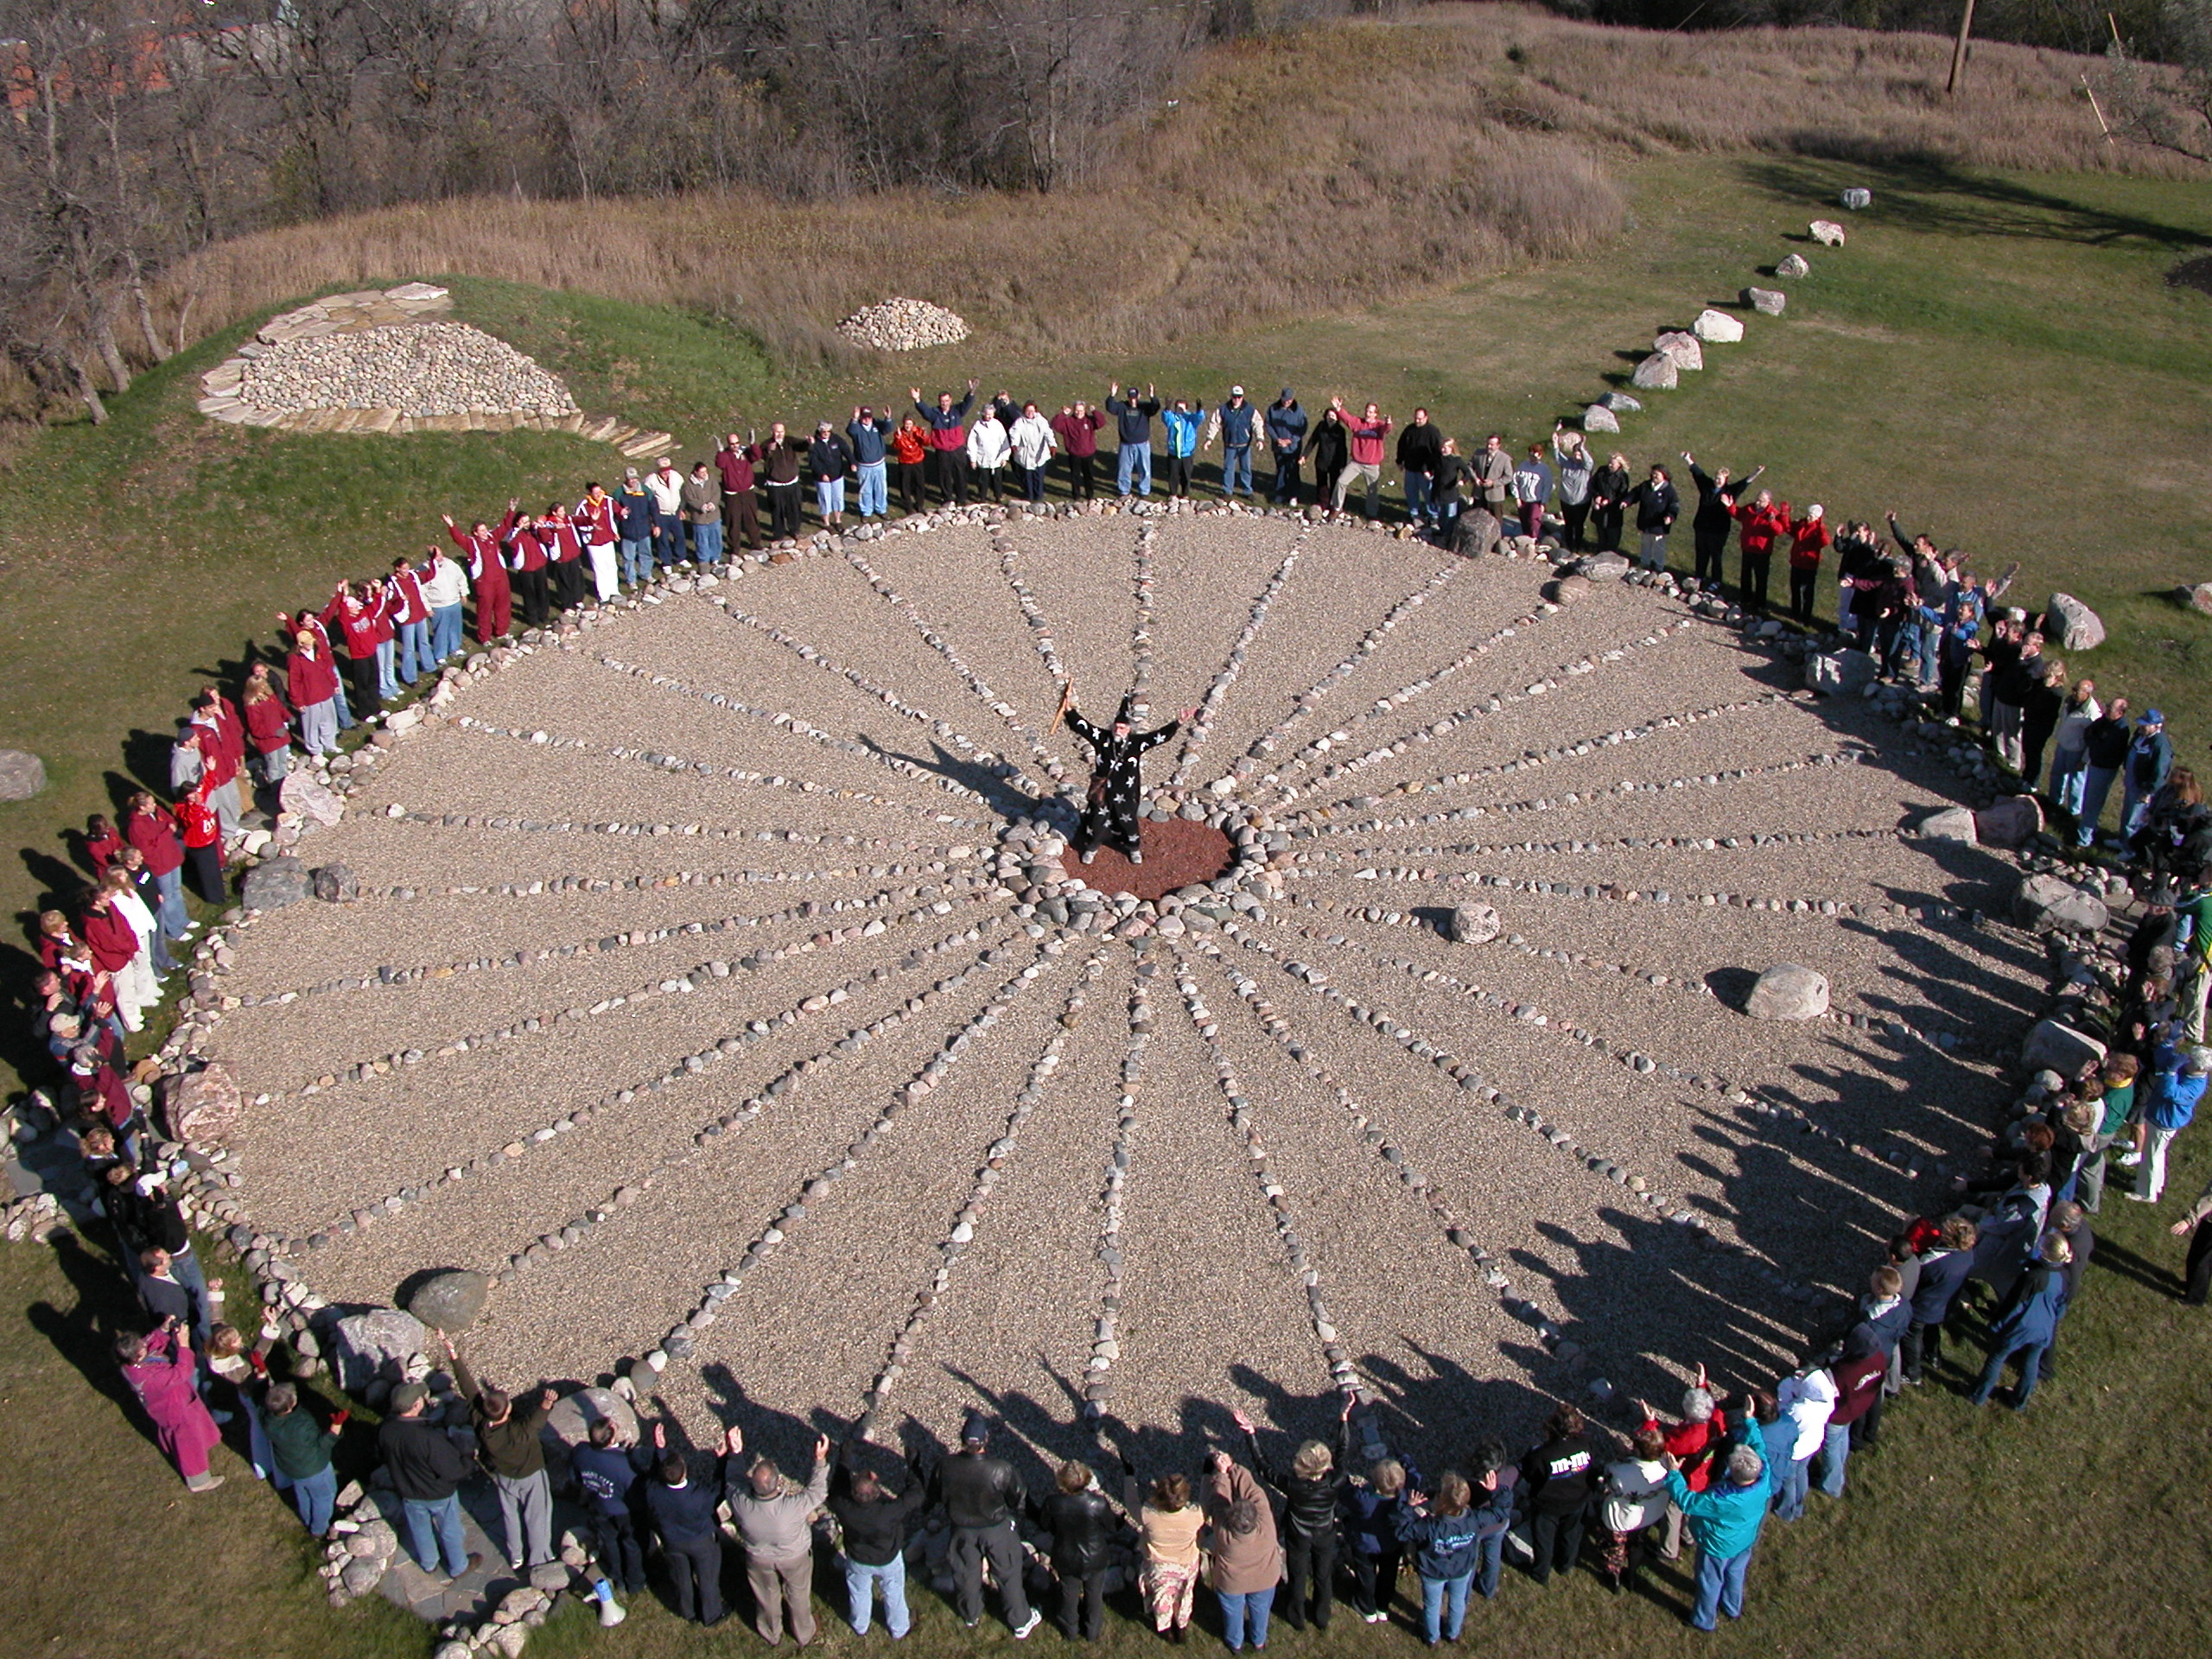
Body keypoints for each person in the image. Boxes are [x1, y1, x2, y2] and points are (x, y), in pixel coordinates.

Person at [1235, 1398, 1350, 1633]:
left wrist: (1251, 1434)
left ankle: (1296, 1616)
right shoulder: (1336, 1481)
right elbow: (1343, 1452)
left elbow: (1264, 1468)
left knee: (1297, 1576)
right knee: (1323, 1576)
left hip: (1299, 1533)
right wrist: (1343, 1419)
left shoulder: (1292, 1485)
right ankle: (1321, 1616)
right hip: (1325, 1532)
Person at [444, 1334, 556, 1572]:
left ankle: (516, 1556)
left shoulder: (480, 1420)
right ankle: (540, 1558)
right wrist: (546, 1405)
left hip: (504, 1475)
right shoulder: (518, 1432)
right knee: (537, 1517)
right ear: (507, 1411)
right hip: (531, 1475)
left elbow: (468, 1388)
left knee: (510, 1516)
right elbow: (535, 1424)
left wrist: (454, 1356)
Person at [721, 1424, 832, 1647]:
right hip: (795, 1557)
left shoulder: (741, 1502)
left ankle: (771, 1632)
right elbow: (818, 1492)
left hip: (758, 1557)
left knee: (766, 1597)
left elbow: (732, 1481)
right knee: (798, 1595)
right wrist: (820, 1461)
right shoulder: (794, 1506)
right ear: (777, 1482)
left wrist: (736, 1453)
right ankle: (803, 1633)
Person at [932, 1411, 1039, 1636]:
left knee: (965, 1574)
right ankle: (1020, 1621)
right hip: (995, 1529)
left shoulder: (945, 1466)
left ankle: (970, 1614)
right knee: (1008, 1574)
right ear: (985, 1440)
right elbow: (1017, 1498)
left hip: (961, 1529)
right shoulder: (1000, 1468)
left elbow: (935, 1494)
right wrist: (1018, 1518)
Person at [1064, 692, 1188, 866]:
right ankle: (1092, 847)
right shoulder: (1102, 738)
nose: (1118, 730)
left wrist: (1178, 723)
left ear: (1129, 729)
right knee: (1097, 820)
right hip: (1104, 791)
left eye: (1122, 727)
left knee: (1128, 820)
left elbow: (1159, 737)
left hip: (1126, 792)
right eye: (1116, 726)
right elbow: (1083, 727)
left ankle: (1133, 847)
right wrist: (1069, 710)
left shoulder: (1136, 743)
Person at [1665, 1437, 1775, 1633]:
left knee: (1710, 1582)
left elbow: (1687, 1502)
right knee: (1735, 1573)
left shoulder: (1722, 1500)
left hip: (1718, 1547)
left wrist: (1674, 1474)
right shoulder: (1764, 1476)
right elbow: (1760, 1446)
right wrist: (1750, 1421)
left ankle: (1703, 1620)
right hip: (1744, 1539)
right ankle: (1732, 1607)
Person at [378, 1380, 479, 1581]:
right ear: (416, 1405)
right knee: (449, 1530)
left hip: (408, 1492)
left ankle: (429, 1563)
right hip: (438, 1493)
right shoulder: (428, 1438)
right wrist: (469, 1459)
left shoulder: (386, 1430)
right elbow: (453, 1470)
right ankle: (458, 1566)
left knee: (420, 1528)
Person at [829, 1437, 926, 1638]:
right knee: (894, 1593)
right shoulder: (889, 1511)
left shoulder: (843, 1507)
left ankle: (860, 1626)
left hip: (857, 1558)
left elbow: (837, 1485)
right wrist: (913, 1465)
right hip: (888, 1558)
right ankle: (899, 1629)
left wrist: (845, 1457)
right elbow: (917, 1494)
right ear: (877, 1492)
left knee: (858, 1592)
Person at [1969, 1230, 2072, 1408]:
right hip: (2045, 1327)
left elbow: (2015, 1303)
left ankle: (1978, 1395)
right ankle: (2019, 1401)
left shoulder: (2033, 1276)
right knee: (2031, 1362)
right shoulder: (2064, 1275)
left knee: (1997, 1356)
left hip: (2023, 1326)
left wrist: (1998, 1323)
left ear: (2046, 1253)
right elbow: (2061, 1304)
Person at [118, 1321, 224, 1491]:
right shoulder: (149, 1379)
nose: (144, 1344)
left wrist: (163, 1329)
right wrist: (183, 1345)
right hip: (176, 1411)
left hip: (175, 1404)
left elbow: (149, 1343)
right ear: (137, 1356)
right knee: (188, 1443)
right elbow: (182, 1372)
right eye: (141, 1347)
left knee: (194, 1432)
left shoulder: (132, 1362)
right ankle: (199, 1481)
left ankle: (201, 1448)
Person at [645, 1424, 726, 1626]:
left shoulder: (653, 1491)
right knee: (707, 1580)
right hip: (700, 1542)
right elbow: (719, 1489)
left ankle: (688, 1611)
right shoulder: (698, 1496)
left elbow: (660, 1474)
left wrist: (660, 1449)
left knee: (682, 1579)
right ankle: (712, 1615)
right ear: (685, 1472)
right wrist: (722, 1460)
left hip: (672, 1542)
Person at [1204, 1444, 1282, 1653]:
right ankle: (1259, 1641)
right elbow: (1253, 1490)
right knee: (1261, 1610)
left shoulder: (1223, 1531)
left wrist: (1222, 1475)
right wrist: (1233, 1467)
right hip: (1265, 1578)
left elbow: (1219, 1501)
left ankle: (1235, 1642)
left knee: (1232, 1612)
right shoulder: (1266, 1522)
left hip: (1232, 1582)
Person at [1030, 1458, 1117, 1642]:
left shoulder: (1053, 1502)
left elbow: (1045, 1525)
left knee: (1068, 1595)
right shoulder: (1098, 1503)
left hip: (1066, 1557)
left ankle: (1069, 1631)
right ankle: (1092, 1632)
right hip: (1095, 1558)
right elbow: (1112, 1527)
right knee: (1094, 1596)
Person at [1395, 1469, 1484, 1645]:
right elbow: (1499, 1513)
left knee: (1432, 1605)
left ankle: (1431, 1637)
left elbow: (1403, 1532)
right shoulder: (1474, 1520)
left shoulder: (1430, 1526)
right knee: (1458, 1602)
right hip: (1461, 1568)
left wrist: (1408, 1508)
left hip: (1434, 1571)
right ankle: (1453, 1633)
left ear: (1442, 1501)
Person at [1124, 1462, 1205, 1642]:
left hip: (1159, 1566)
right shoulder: (1196, 1515)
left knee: (1161, 1599)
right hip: (1186, 1564)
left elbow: (1131, 1503)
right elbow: (1207, 1501)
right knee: (1184, 1596)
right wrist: (1207, 1476)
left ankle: (1165, 1629)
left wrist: (1129, 1477)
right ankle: (1181, 1627)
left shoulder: (1148, 1514)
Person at [571, 1416, 650, 1601]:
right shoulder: (624, 1464)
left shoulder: (580, 1452)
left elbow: (575, 1477)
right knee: (631, 1545)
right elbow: (636, 1493)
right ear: (611, 1439)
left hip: (599, 1506)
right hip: (624, 1511)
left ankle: (618, 1578)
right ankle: (635, 1582)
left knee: (610, 1543)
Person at [1518, 1402, 1595, 1586]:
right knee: (1571, 1536)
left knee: (1543, 1541)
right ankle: (1565, 1565)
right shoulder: (1586, 1442)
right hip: (1577, 1500)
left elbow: (1530, 1476)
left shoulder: (1540, 1454)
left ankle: (1541, 1573)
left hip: (1547, 1505)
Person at [1901, 1214, 1977, 1382]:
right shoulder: (1968, 1253)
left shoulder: (1934, 1262)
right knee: (1932, 1329)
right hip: (1943, 1304)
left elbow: (1917, 1276)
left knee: (1911, 1337)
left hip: (1922, 1307)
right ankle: (1934, 1355)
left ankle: (1912, 1373)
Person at [263, 1382, 346, 1536]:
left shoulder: (268, 1420)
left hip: (292, 1468)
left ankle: (307, 1519)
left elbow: (258, 1399)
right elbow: (322, 1445)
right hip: (315, 1468)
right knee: (324, 1497)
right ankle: (319, 1530)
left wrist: (261, 1377)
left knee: (303, 1494)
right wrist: (336, 1428)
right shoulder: (302, 1424)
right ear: (290, 1404)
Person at [2132, 1041, 2207, 1203]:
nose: (2187, 1061)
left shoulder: (2195, 1087)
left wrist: (2171, 1073)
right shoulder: (2189, 1070)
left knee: (2151, 1157)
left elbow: (2170, 1092)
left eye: (2191, 1061)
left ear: (2200, 1068)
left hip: (2164, 1122)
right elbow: (2163, 1059)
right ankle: (2153, 1185)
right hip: (2160, 1117)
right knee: (2157, 1155)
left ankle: (2147, 1193)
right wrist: (2168, 1043)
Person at [1599, 1427, 1669, 1594]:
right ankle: (1631, 1577)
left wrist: (1621, 1458)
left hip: (1621, 1519)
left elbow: (1608, 1479)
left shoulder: (1620, 1471)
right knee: (1637, 1544)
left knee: (1614, 1549)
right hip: (1648, 1515)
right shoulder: (1666, 1468)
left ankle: (1613, 1579)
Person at [1342, 1456, 1412, 1624]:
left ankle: (1367, 1608)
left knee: (1366, 1575)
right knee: (1389, 1574)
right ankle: (1383, 1606)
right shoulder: (1403, 1498)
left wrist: (1343, 1477)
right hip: (1392, 1543)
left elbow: (1344, 1495)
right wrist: (1408, 1461)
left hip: (1365, 1544)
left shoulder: (1363, 1499)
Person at [1683, 454, 1760, 591]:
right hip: (1702, 526)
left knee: (1716, 555)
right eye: (1717, 478)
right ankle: (1699, 576)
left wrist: (1756, 473)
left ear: (1726, 479)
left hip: (1719, 529)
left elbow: (1744, 484)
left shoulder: (1730, 491)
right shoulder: (1706, 486)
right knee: (1701, 553)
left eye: (1721, 479)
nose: (1718, 481)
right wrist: (1688, 459)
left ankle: (1716, 580)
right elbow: (1698, 473)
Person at [124, 790, 191, 947]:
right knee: (166, 897)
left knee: (176, 890)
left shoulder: (157, 811)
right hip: (159, 864)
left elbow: (170, 821)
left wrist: (168, 830)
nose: (155, 805)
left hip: (171, 856)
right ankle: (173, 930)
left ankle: (182, 919)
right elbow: (147, 849)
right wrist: (167, 832)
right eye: (151, 804)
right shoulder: (136, 827)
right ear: (142, 807)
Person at [2075, 696, 2134, 846]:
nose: (2106, 710)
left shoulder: (2120, 730)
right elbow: (2089, 732)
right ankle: (2089, 828)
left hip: (2104, 768)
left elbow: (2103, 748)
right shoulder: (2105, 721)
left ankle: (2084, 839)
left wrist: (2095, 742)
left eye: (2110, 708)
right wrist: (2095, 741)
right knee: (2090, 799)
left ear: (2120, 713)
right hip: (2096, 763)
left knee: (2093, 802)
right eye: (2107, 706)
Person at [914, 380, 979, 505]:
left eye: (947, 401)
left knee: (961, 474)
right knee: (944, 475)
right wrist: (918, 400)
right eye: (942, 401)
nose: (944, 403)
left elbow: (967, 404)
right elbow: (925, 412)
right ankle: (948, 498)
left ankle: (962, 498)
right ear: (939, 402)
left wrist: (971, 392)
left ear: (951, 400)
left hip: (957, 449)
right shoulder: (935, 414)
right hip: (942, 450)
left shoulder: (957, 411)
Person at [285, 629, 341, 759]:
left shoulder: (318, 652)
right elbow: (294, 682)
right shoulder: (295, 660)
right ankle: (315, 750)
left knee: (329, 719)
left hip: (325, 692)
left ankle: (330, 743)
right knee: (311, 724)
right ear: (300, 644)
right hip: (309, 697)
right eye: (307, 643)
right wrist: (297, 701)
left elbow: (328, 669)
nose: (311, 645)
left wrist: (334, 683)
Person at [2047, 677, 2101, 813]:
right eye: (2074, 689)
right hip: (2063, 743)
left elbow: (2093, 740)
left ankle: (2074, 810)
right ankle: (2054, 800)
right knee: (2057, 773)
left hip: (2077, 750)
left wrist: (2084, 760)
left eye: (2077, 691)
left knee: (2076, 780)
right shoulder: (2070, 702)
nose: (2074, 693)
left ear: (2087, 693)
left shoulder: (2092, 713)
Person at [1331, 400, 1391, 518]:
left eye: (1371, 412)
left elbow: (1386, 429)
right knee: (1341, 481)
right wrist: (1339, 409)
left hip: (1372, 465)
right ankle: (1337, 508)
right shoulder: (1358, 423)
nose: (1368, 414)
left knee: (1372, 491)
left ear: (1376, 414)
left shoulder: (1379, 426)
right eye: (1367, 411)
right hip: (1356, 463)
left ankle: (1372, 514)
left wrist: (1388, 422)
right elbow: (1347, 418)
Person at [2122, 708, 2174, 842]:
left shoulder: (2160, 744)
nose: (2141, 727)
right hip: (2132, 781)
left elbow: (2160, 771)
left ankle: (2131, 850)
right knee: (2126, 813)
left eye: (2145, 725)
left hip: (2143, 788)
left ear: (2157, 726)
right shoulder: (2140, 735)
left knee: (2134, 820)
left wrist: (2149, 792)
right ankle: (2123, 841)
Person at [1106, 379, 1160, 499]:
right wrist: (1112, 395)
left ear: (1139, 396)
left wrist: (1152, 396)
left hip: (1142, 443)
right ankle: (1124, 491)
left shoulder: (1145, 407)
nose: (1133, 400)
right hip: (1126, 443)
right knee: (1124, 469)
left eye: (1135, 397)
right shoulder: (1122, 407)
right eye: (1131, 398)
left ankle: (1144, 491)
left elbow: (1155, 408)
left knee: (1144, 469)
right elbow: (1110, 408)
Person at [499, 507, 550, 632]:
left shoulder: (534, 530)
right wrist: (518, 529)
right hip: (525, 568)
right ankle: (533, 618)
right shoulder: (515, 534)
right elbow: (511, 543)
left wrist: (540, 526)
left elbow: (546, 538)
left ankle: (544, 615)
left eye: (527, 521)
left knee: (542, 591)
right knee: (529, 594)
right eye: (523, 522)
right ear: (517, 523)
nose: (526, 524)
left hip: (539, 565)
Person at [1206, 385, 1262, 500]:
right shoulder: (1223, 409)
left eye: (1239, 397)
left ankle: (1247, 491)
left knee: (1245, 468)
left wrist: (1260, 439)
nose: (1237, 399)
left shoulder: (1250, 410)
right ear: (1231, 396)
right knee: (1228, 468)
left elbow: (1257, 423)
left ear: (1243, 397)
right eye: (1235, 397)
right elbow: (1214, 423)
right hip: (1230, 445)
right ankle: (1228, 491)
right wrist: (1209, 439)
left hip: (1244, 445)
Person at [755, 423, 807, 540]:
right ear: (772, 432)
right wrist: (769, 451)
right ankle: (779, 534)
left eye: (781, 432)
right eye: (777, 432)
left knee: (794, 508)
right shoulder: (766, 444)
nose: (780, 434)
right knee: (777, 510)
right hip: (776, 485)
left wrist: (808, 442)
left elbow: (801, 446)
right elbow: (760, 456)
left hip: (792, 483)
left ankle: (795, 530)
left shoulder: (789, 441)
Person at [1626, 463, 1679, 572]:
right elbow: (1634, 494)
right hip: (1646, 521)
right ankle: (1645, 562)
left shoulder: (1669, 491)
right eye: (1653, 474)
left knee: (1658, 546)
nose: (1654, 476)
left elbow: (1674, 506)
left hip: (1659, 525)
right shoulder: (1646, 486)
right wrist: (1626, 502)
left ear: (1664, 476)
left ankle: (1659, 566)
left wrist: (1670, 517)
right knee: (1646, 543)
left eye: (1657, 474)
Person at [575, 480, 622, 602]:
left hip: (607, 539)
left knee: (611, 565)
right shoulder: (584, 506)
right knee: (599, 568)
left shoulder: (608, 500)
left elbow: (618, 513)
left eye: (599, 491)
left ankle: (614, 590)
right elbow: (579, 523)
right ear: (590, 493)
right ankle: (604, 595)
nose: (598, 494)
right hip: (593, 542)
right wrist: (592, 526)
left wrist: (623, 513)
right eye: (595, 492)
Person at [717, 434, 764, 553]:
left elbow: (756, 456)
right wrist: (721, 451)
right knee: (734, 521)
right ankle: (734, 548)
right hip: (732, 494)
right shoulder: (726, 455)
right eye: (732, 444)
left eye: (737, 443)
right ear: (728, 444)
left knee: (751, 519)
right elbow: (720, 464)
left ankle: (756, 543)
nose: (735, 446)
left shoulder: (745, 452)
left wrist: (753, 444)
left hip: (747, 491)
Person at [1786, 504, 1831, 624]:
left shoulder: (1818, 530)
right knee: (1795, 589)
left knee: (1807, 593)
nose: (1809, 518)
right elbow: (1789, 529)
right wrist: (1785, 514)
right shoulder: (1802, 524)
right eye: (1809, 515)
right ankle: (1795, 612)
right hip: (1797, 561)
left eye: (1812, 516)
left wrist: (1821, 529)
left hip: (1809, 565)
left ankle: (1805, 617)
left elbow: (1825, 542)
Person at [1395, 407, 1441, 524]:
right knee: (1411, 491)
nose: (1417, 421)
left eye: (1420, 419)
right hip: (1410, 468)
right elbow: (1401, 445)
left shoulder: (1433, 432)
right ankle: (1414, 513)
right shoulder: (1409, 430)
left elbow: (1437, 452)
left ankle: (1434, 514)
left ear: (1426, 418)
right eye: (1416, 418)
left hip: (1425, 471)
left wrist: (1431, 469)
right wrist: (1400, 461)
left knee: (1429, 493)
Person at [1007, 402, 1057, 505]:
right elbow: (1015, 433)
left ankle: (1038, 496)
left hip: (1040, 453)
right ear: (1024, 411)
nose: (1030, 413)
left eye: (1032, 411)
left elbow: (1048, 433)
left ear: (1035, 411)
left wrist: (1052, 445)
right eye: (1028, 411)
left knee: (1038, 476)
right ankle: (1028, 496)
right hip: (1025, 454)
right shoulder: (1020, 422)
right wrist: (1014, 444)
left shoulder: (1041, 421)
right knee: (1027, 476)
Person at [1551, 428, 1593, 551]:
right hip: (1566, 500)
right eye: (1575, 452)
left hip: (1581, 501)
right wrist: (1555, 444)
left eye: (1579, 453)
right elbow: (1558, 457)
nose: (1577, 455)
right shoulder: (1567, 463)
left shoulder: (1586, 467)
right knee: (1568, 524)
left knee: (1579, 525)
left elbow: (1589, 462)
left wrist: (1582, 448)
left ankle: (1578, 546)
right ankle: (1568, 545)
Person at [1052, 402, 1105, 500]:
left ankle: (1090, 495)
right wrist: (1063, 414)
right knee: (1075, 476)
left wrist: (1095, 412)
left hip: (1088, 454)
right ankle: (1076, 496)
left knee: (1088, 476)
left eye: (1081, 410)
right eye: (1077, 410)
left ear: (1085, 411)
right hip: (1074, 454)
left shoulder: (1089, 421)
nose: (1079, 413)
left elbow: (1101, 422)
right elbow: (1056, 425)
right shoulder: (1068, 421)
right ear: (1073, 410)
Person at [615, 467, 658, 585]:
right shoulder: (619, 494)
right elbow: (615, 514)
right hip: (628, 532)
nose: (633, 481)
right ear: (626, 479)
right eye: (630, 479)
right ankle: (631, 580)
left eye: (635, 478)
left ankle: (646, 574)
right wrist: (616, 531)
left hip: (644, 530)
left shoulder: (645, 491)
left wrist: (656, 525)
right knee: (628, 558)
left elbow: (653, 509)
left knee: (646, 554)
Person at [810, 420, 855, 529]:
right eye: (824, 431)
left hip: (837, 474)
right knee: (825, 499)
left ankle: (838, 520)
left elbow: (846, 451)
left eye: (828, 431)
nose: (826, 433)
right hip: (822, 478)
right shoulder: (814, 443)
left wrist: (852, 462)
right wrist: (822, 474)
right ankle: (826, 522)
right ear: (820, 431)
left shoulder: (836, 439)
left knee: (838, 498)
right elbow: (813, 462)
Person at [1265, 389, 1307, 504]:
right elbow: (1268, 424)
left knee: (1293, 470)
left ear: (1292, 399)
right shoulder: (1273, 409)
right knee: (1281, 470)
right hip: (1278, 446)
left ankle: (1294, 495)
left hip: (1293, 448)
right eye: (1284, 400)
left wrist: (1291, 440)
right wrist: (1277, 439)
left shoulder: (1299, 411)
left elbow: (1302, 428)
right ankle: (1280, 493)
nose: (1286, 402)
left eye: (1288, 400)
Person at [1303, 405, 1349, 511]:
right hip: (1321, 460)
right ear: (1325, 416)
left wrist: (1343, 463)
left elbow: (1343, 448)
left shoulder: (1340, 431)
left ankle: (1334, 504)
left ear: (1337, 418)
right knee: (1321, 483)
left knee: (1335, 483)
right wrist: (1305, 455)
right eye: (1329, 415)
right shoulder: (1321, 426)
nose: (1331, 418)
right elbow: (1312, 441)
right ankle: (1322, 503)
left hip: (1335, 461)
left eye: (1333, 416)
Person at [645, 456, 686, 569]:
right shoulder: (651, 480)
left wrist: (682, 508)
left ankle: (680, 557)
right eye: (664, 471)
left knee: (680, 536)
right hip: (661, 514)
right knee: (663, 539)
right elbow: (648, 498)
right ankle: (666, 562)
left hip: (675, 512)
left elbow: (682, 492)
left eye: (668, 469)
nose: (667, 473)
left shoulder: (676, 476)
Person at [680, 461, 724, 565]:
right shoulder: (689, 485)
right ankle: (704, 559)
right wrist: (701, 506)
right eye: (702, 472)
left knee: (715, 538)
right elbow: (690, 499)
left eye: (705, 471)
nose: (705, 474)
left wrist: (713, 504)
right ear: (695, 472)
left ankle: (716, 557)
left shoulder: (711, 480)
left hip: (714, 516)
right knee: (701, 541)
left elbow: (717, 492)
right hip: (699, 518)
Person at [966, 404, 1011, 504]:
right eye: (987, 414)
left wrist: (1005, 457)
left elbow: (1004, 441)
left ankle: (998, 497)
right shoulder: (977, 426)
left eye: (991, 414)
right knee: (983, 480)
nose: (989, 416)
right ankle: (982, 497)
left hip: (997, 458)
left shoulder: (998, 425)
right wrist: (973, 459)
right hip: (983, 458)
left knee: (997, 480)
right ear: (983, 414)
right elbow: (972, 443)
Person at [1588, 451, 1630, 554]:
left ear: (1619, 465)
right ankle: (1600, 551)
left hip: (1613, 510)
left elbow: (1622, 493)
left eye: (1613, 463)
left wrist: (1610, 500)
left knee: (1613, 534)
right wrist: (1597, 496)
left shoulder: (1622, 477)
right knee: (1600, 531)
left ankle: (1611, 554)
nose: (1610, 465)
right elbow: (1592, 484)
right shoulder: (1602, 471)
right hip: (1600, 508)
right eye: (1609, 462)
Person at [1510, 442, 1554, 541]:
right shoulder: (1522, 466)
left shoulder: (1544, 469)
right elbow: (1515, 482)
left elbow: (1547, 486)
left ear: (1540, 455)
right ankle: (1525, 539)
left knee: (1534, 520)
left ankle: (1534, 538)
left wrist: (1543, 502)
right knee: (1524, 520)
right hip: (1523, 499)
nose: (1532, 457)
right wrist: (1517, 497)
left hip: (1536, 500)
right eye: (1531, 454)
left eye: (1535, 455)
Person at [892, 413, 932, 513]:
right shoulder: (899, 433)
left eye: (910, 424)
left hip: (917, 461)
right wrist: (899, 438)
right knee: (905, 485)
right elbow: (896, 447)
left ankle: (919, 504)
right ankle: (908, 506)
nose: (908, 426)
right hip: (905, 462)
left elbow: (927, 443)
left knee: (920, 484)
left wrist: (924, 436)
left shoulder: (918, 431)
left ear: (913, 424)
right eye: (906, 424)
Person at [1471, 433, 1513, 526]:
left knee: (1496, 520)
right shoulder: (1478, 453)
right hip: (1479, 493)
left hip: (1495, 495)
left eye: (1492, 445)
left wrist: (1494, 483)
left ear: (1498, 445)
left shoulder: (1505, 459)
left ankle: (1496, 539)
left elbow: (1509, 476)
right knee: (1477, 518)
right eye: (1488, 444)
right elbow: (1469, 467)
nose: (1489, 447)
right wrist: (1475, 478)